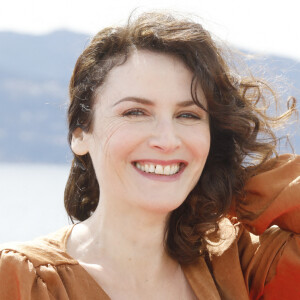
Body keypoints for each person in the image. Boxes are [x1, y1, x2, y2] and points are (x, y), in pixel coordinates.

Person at [0, 11, 299, 300]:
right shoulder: (23, 280)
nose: (167, 140)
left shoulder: (239, 264)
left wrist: (227, 183)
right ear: (80, 133)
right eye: (135, 112)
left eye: (188, 115)